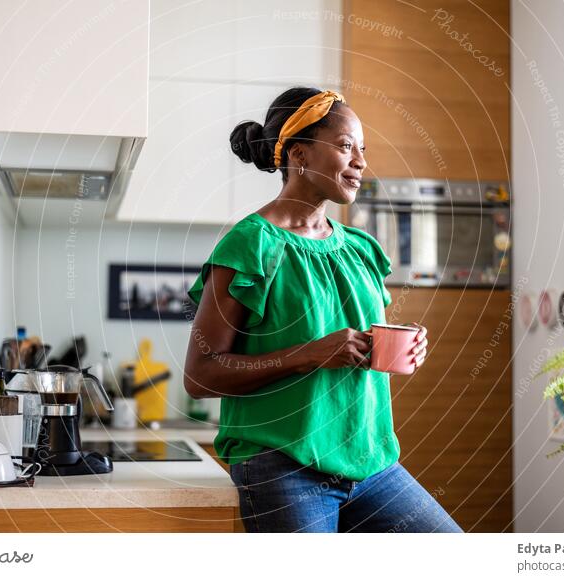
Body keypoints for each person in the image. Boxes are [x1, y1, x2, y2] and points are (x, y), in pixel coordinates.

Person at [184, 87, 462, 533]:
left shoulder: (360, 249)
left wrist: (400, 346)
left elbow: (355, 341)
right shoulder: (252, 244)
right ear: (300, 154)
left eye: (363, 150)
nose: (361, 161)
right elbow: (200, 375)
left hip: (370, 465)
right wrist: (308, 354)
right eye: (346, 146)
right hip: (284, 466)